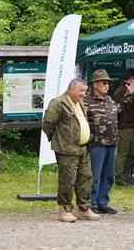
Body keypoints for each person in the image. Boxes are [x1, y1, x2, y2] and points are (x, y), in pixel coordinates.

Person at [42, 78, 100, 222]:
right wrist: (60, 140)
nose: (83, 94)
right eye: (81, 91)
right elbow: (48, 124)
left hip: (83, 149)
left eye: (85, 91)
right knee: (67, 180)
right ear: (71, 89)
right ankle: (64, 210)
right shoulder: (58, 103)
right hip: (67, 150)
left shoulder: (80, 103)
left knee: (86, 178)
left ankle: (83, 209)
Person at [83, 69, 134, 214]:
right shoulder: (86, 101)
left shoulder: (108, 99)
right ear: (95, 84)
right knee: (95, 175)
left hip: (111, 143)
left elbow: (118, 109)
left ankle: (102, 202)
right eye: (103, 83)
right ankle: (92, 204)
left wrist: (128, 94)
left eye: (108, 83)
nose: (107, 85)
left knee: (108, 175)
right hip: (97, 144)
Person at [114, 68, 134, 186]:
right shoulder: (121, 91)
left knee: (130, 153)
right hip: (124, 127)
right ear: (132, 78)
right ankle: (119, 178)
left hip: (130, 125)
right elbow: (119, 108)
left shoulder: (128, 90)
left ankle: (126, 177)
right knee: (123, 152)